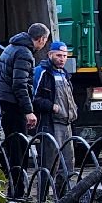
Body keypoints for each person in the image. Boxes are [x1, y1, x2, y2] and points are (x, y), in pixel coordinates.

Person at [0, 22, 50, 199]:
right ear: (41, 39)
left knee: (12, 147)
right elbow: (20, 85)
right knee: (19, 149)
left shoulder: (11, 47)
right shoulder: (24, 53)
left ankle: (13, 190)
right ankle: (17, 193)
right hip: (14, 106)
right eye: (45, 40)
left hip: (5, 102)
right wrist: (28, 111)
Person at [32, 40, 79, 194]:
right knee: (49, 164)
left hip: (67, 124)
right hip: (51, 124)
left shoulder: (65, 74)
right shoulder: (41, 72)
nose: (62, 59)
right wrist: (51, 106)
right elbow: (33, 98)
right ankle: (43, 199)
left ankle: (64, 199)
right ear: (49, 54)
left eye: (64, 56)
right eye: (58, 55)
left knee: (67, 164)